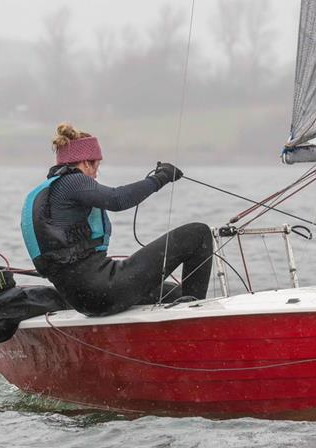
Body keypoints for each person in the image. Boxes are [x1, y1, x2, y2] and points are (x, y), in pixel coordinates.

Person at [21, 123, 213, 316]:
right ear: (86, 163)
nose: (96, 174)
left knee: (174, 293)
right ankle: (196, 317)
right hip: (103, 289)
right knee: (198, 233)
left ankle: (179, 321)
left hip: (82, 300)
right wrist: (160, 178)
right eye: (96, 166)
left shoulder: (42, 193)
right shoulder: (73, 182)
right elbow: (117, 199)